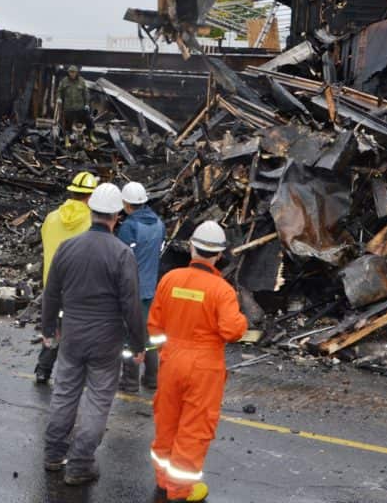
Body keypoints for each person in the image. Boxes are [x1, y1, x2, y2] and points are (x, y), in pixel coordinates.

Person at [42, 183, 145, 486]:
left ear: (91, 211)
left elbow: (51, 294)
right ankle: (80, 464)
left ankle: (53, 454)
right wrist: (138, 344)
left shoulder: (68, 247)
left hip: (72, 335)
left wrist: (48, 330)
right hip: (105, 340)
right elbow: (131, 305)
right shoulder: (121, 253)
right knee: (98, 401)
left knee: (64, 395)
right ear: (116, 216)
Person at [147, 221, 248, 503]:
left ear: (192, 247)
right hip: (204, 366)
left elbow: (154, 325)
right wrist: (242, 318)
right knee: (194, 427)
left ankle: (163, 480)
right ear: (219, 254)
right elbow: (233, 330)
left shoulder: (170, 279)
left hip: (172, 360)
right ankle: (180, 491)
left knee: (167, 421)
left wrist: (167, 351)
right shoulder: (222, 290)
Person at [34, 170, 98, 383]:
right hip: (78, 289)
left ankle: (43, 369)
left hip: (51, 285)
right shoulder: (91, 223)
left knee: (52, 329)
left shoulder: (51, 218)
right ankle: (72, 375)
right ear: (91, 196)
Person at [117, 181, 166, 393]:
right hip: (151, 289)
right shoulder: (158, 223)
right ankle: (152, 377)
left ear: (126, 204)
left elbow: (120, 258)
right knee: (150, 334)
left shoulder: (129, 227)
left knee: (130, 336)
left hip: (131, 289)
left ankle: (129, 381)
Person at [58, 65, 93, 138]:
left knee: (88, 120)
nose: (72, 74)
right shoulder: (64, 81)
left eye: (73, 72)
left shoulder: (81, 81)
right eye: (70, 72)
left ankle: (90, 135)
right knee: (68, 124)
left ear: (77, 73)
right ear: (68, 73)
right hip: (68, 107)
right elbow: (59, 91)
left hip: (80, 107)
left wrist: (86, 104)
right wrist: (59, 98)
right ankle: (67, 138)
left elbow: (86, 93)